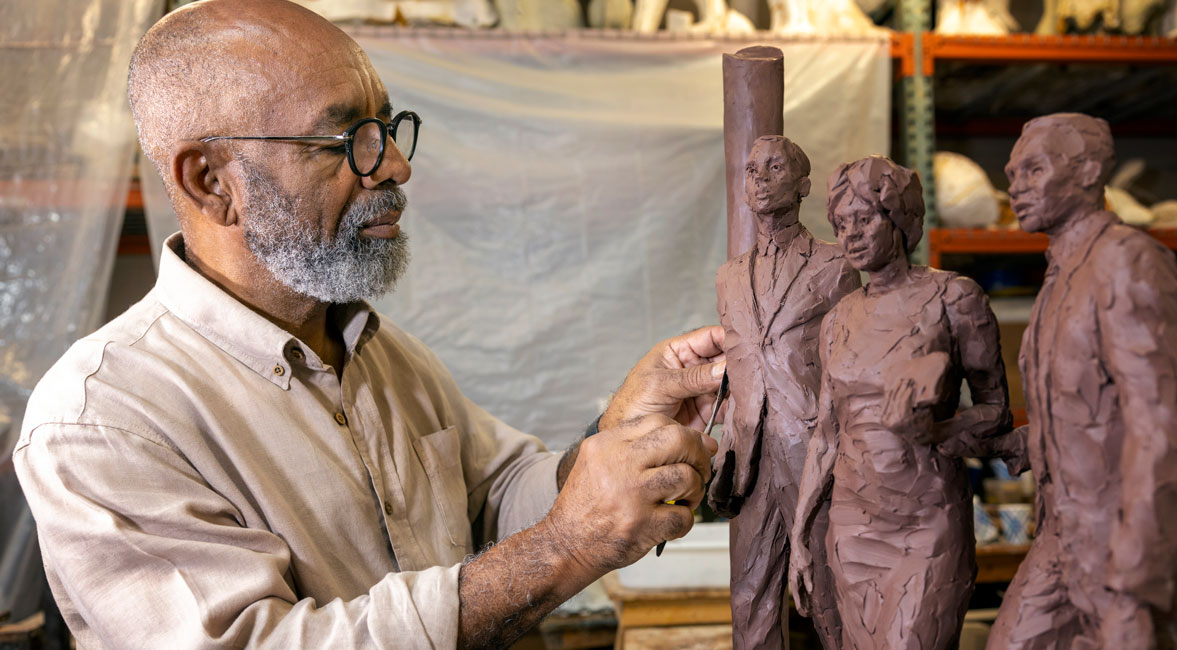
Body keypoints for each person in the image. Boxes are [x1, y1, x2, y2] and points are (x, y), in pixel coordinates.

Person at [12, 1, 727, 648]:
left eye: (386, 128)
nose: (395, 165)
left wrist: (614, 440)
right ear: (211, 181)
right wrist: (568, 546)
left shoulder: (381, 356)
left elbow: (498, 497)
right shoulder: (103, 420)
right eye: (346, 139)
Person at [985, 113, 1177, 650]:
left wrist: (1136, 585)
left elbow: (1164, 430)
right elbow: (1086, 413)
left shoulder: (1127, 263)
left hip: (1120, 540)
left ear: (1087, 171)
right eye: (1012, 173)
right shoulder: (1060, 277)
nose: (1016, 185)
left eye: (1034, 169)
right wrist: (992, 438)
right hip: (1062, 533)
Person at [788, 156, 1014, 650]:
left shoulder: (955, 298)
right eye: (841, 223)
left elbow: (997, 411)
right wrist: (801, 536)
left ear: (900, 219)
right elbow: (827, 434)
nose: (850, 234)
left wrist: (935, 431)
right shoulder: (840, 318)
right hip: (852, 525)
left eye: (864, 219)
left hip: (926, 519)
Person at [707, 135, 859, 649]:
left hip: (813, 450)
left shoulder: (837, 266)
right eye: (752, 170)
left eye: (774, 168)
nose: (760, 178)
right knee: (751, 595)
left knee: (826, 590)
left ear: (803, 186)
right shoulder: (728, 278)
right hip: (749, 452)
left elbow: (854, 361)